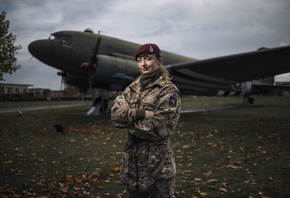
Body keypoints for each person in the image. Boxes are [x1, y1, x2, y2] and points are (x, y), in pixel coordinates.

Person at [111, 43, 181, 198]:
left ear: (159, 60)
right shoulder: (132, 88)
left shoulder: (168, 90)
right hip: (132, 168)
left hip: (158, 169)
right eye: (140, 60)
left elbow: (155, 128)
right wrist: (141, 113)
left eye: (148, 59)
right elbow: (115, 117)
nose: (143, 64)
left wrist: (127, 116)